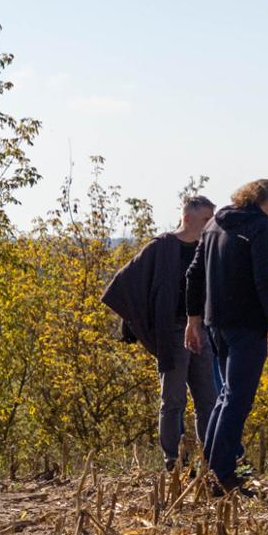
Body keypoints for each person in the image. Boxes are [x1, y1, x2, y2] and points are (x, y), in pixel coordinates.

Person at [184, 179, 268, 495]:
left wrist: (194, 320)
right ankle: (222, 475)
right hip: (248, 324)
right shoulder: (259, 225)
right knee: (237, 400)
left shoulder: (215, 223)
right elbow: (266, 280)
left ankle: (211, 469)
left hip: (216, 322)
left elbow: (194, 274)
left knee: (226, 397)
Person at [101, 194, 217, 470]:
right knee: (174, 399)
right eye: (205, 219)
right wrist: (135, 322)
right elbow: (125, 284)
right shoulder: (162, 247)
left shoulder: (208, 248)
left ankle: (212, 458)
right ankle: (174, 461)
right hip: (173, 331)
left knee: (208, 400)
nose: (210, 225)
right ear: (187, 218)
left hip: (202, 330)